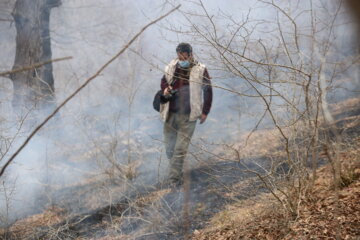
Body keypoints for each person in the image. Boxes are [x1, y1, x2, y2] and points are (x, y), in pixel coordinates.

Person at [159, 42, 213, 186]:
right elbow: (163, 81)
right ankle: (175, 172)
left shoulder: (200, 70)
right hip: (170, 113)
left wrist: (205, 111)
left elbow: (208, 90)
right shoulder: (171, 67)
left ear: (190, 54)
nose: (181, 59)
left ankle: (173, 180)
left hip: (189, 116)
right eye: (179, 56)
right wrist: (166, 89)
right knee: (170, 148)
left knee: (180, 149)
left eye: (184, 56)